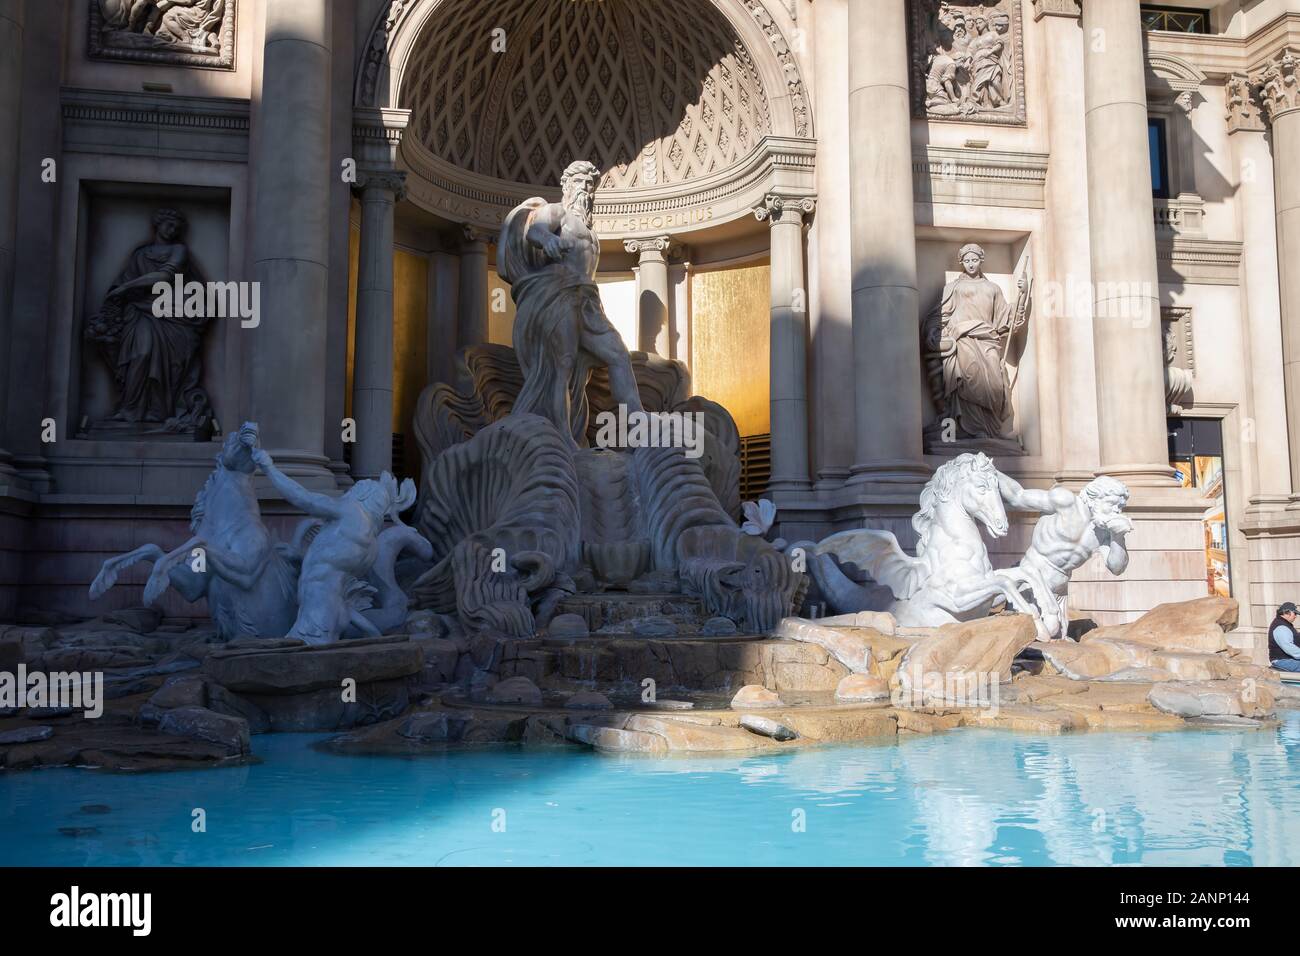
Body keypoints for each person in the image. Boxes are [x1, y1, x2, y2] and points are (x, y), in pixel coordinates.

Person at [1269, 602, 1300, 672]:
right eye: (1294, 613)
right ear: (1287, 613)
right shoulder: (1281, 627)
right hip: (1282, 661)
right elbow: (1289, 648)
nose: (1295, 616)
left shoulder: (1285, 625)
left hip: (1287, 659)